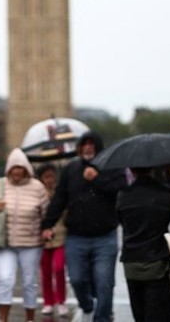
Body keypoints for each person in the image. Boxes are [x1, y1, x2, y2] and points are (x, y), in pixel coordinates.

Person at [41, 130, 127, 322]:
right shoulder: (71, 170)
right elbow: (59, 200)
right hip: (76, 238)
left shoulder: (111, 168)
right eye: (84, 144)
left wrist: (97, 179)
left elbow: (121, 190)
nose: (88, 148)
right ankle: (87, 304)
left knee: (104, 282)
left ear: (98, 147)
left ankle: (102, 317)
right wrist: (47, 225)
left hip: (105, 237)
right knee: (78, 279)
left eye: (91, 144)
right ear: (79, 148)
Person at [0, 147, 49, 322]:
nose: (17, 171)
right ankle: (3, 318)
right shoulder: (0, 184)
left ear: (26, 169)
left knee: (29, 282)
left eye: (20, 167)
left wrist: (48, 230)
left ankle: (30, 318)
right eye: (13, 167)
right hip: (6, 243)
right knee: (5, 279)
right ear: (8, 169)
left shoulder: (37, 187)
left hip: (31, 243)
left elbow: (47, 214)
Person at [115, 166, 170, 322]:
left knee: (138, 311)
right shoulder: (164, 193)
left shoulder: (123, 195)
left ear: (132, 171)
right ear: (153, 168)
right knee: (157, 311)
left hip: (131, 261)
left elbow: (121, 220)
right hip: (157, 261)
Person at [36, 163, 69, 318]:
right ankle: (48, 302)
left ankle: (61, 300)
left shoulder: (62, 192)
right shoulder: (37, 193)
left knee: (58, 267)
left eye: (52, 176)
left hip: (60, 235)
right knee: (46, 271)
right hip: (42, 237)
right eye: (46, 177)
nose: (50, 180)